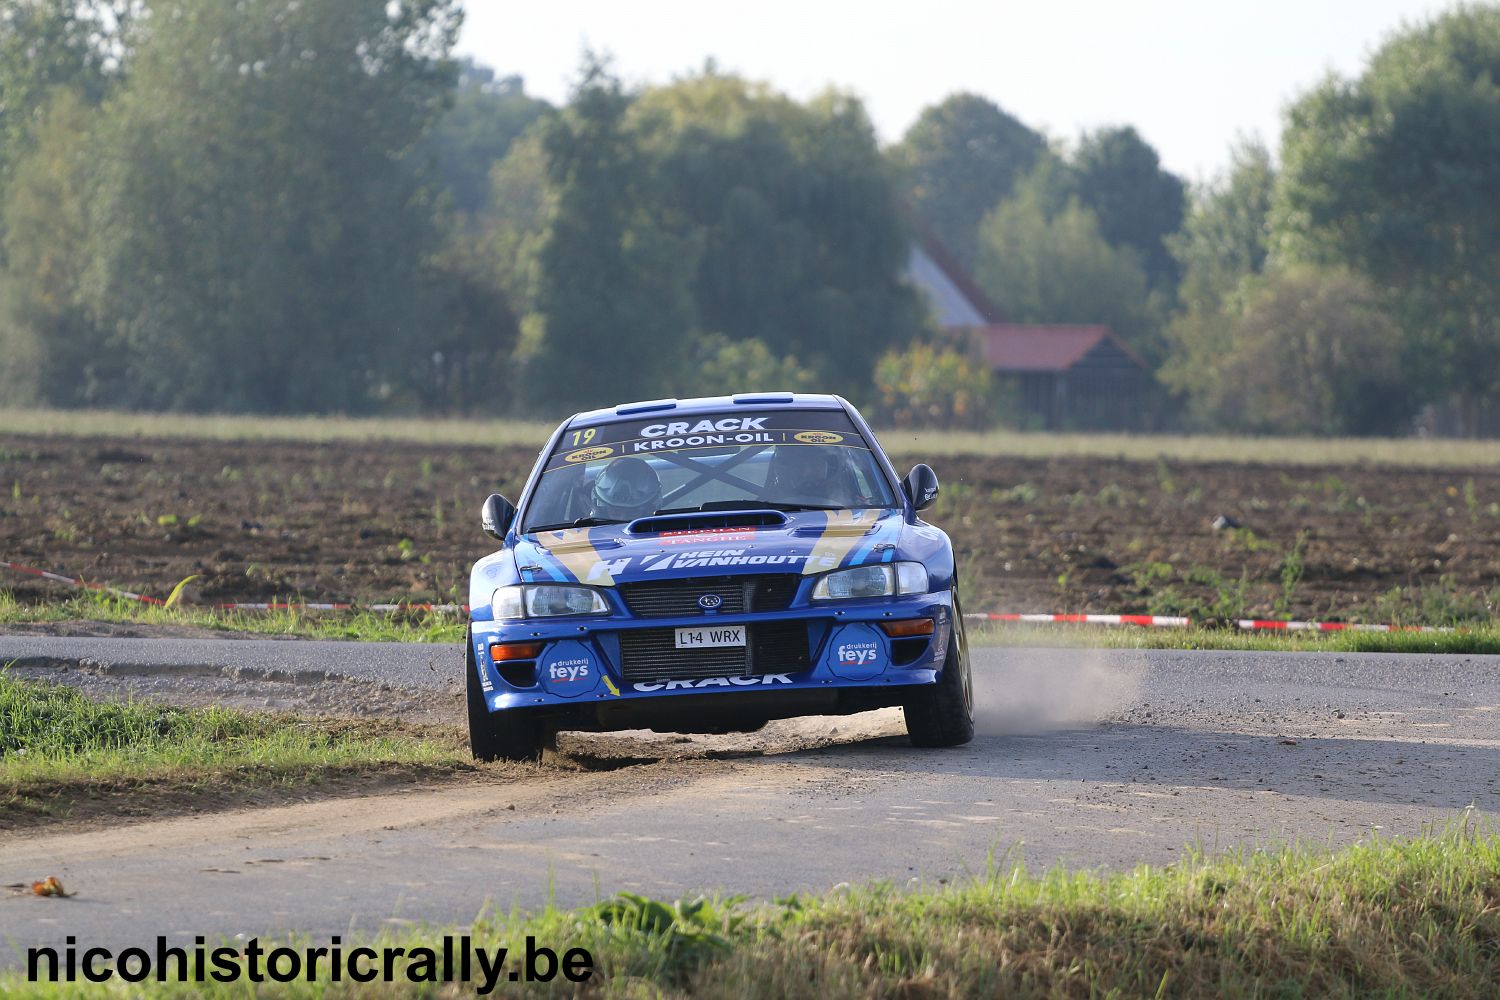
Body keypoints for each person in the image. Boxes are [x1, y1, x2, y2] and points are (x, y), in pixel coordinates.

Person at [590, 457, 662, 521]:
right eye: (615, 512)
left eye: (632, 513)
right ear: (602, 511)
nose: (622, 519)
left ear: (648, 511)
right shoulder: (585, 533)